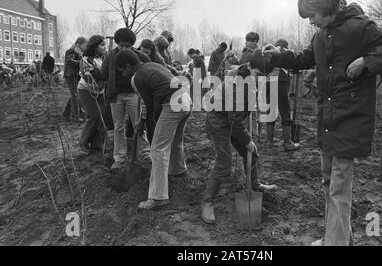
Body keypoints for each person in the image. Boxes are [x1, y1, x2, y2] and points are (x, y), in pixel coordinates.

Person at [263, 0, 382, 246]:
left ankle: (335, 242)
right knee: (328, 182)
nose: (310, 22)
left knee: (339, 188)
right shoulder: (321, 35)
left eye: (312, 16)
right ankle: (339, 237)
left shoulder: (359, 28)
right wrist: (278, 55)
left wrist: (367, 61)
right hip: (327, 119)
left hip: (350, 119)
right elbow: (304, 59)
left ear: (327, 9)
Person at [200, 61, 278, 225]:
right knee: (224, 163)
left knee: (252, 153)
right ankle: (207, 202)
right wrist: (248, 140)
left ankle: (255, 185)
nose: (262, 78)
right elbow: (235, 122)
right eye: (259, 75)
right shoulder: (237, 88)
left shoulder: (247, 82)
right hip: (218, 122)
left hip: (231, 120)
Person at [115, 49, 191, 210]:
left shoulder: (136, 78)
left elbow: (148, 104)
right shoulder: (153, 65)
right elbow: (147, 101)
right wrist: (141, 121)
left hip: (172, 103)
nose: (122, 74)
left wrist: (144, 123)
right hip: (186, 99)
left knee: (157, 149)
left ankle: (158, 197)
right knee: (176, 140)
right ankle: (178, 170)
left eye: (122, 70)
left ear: (128, 66)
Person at [98, 28, 152, 170]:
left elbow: (149, 68)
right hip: (116, 95)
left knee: (139, 124)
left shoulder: (140, 56)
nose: (124, 49)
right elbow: (103, 74)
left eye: (127, 46)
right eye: (121, 46)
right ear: (117, 43)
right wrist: (92, 72)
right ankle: (120, 158)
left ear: (132, 45)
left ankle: (145, 153)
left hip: (134, 95)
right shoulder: (110, 56)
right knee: (118, 127)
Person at [265, 39, 300, 151]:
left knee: (271, 111)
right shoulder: (285, 53)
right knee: (285, 110)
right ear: (285, 46)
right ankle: (287, 143)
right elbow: (294, 67)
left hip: (269, 82)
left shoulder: (270, 53)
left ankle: (269, 142)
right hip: (281, 82)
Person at [77, 35, 108, 154]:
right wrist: (103, 75)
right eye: (102, 45)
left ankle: (96, 144)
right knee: (94, 115)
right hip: (86, 90)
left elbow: (103, 74)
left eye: (105, 45)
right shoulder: (86, 59)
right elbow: (92, 76)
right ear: (95, 46)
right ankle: (83, 142)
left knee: (100, 117)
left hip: (99, 91)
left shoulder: (103, 58)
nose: (105, 47)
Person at [63, 37, 87, 120]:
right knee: (75, 94)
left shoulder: (79, 52)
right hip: (70, 74)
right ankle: (75, 116)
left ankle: (66, 113)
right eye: (84, 45)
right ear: (78, 44)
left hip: (75, 74)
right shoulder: (72, 50)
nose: (85, 47)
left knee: (75, 94)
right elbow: (69, 61)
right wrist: (81, 62)